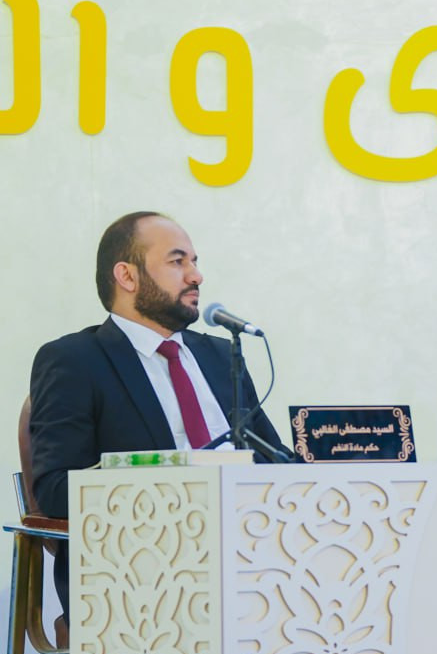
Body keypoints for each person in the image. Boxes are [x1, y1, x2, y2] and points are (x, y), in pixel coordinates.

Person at [28, 211, 284, 616]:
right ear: (127, 277)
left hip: (251, 561)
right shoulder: (75, 361)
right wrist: (176, 488)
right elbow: (57, 490)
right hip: (140, 580)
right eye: (177, 261)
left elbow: (276, 462)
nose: (196, 276)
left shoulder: (221, 356)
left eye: (195, 262)